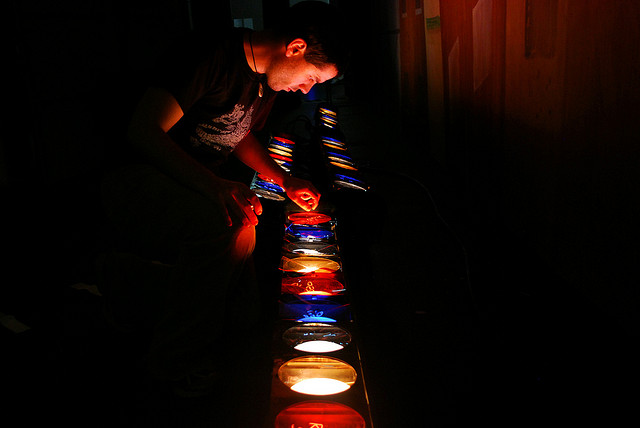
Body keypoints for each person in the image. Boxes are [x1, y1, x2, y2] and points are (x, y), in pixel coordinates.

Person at [98, 1, 350, 396]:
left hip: (192, 181)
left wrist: (284, 180)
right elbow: (144, 131)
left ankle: (138, 292)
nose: (308, 89)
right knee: (228, 223)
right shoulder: (209, 55)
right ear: (295, 47)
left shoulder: (264, 83)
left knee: (245, 311)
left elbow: (238, 135)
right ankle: (170, 364)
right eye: (313, 77)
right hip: (137, 177)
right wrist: (215, 186)